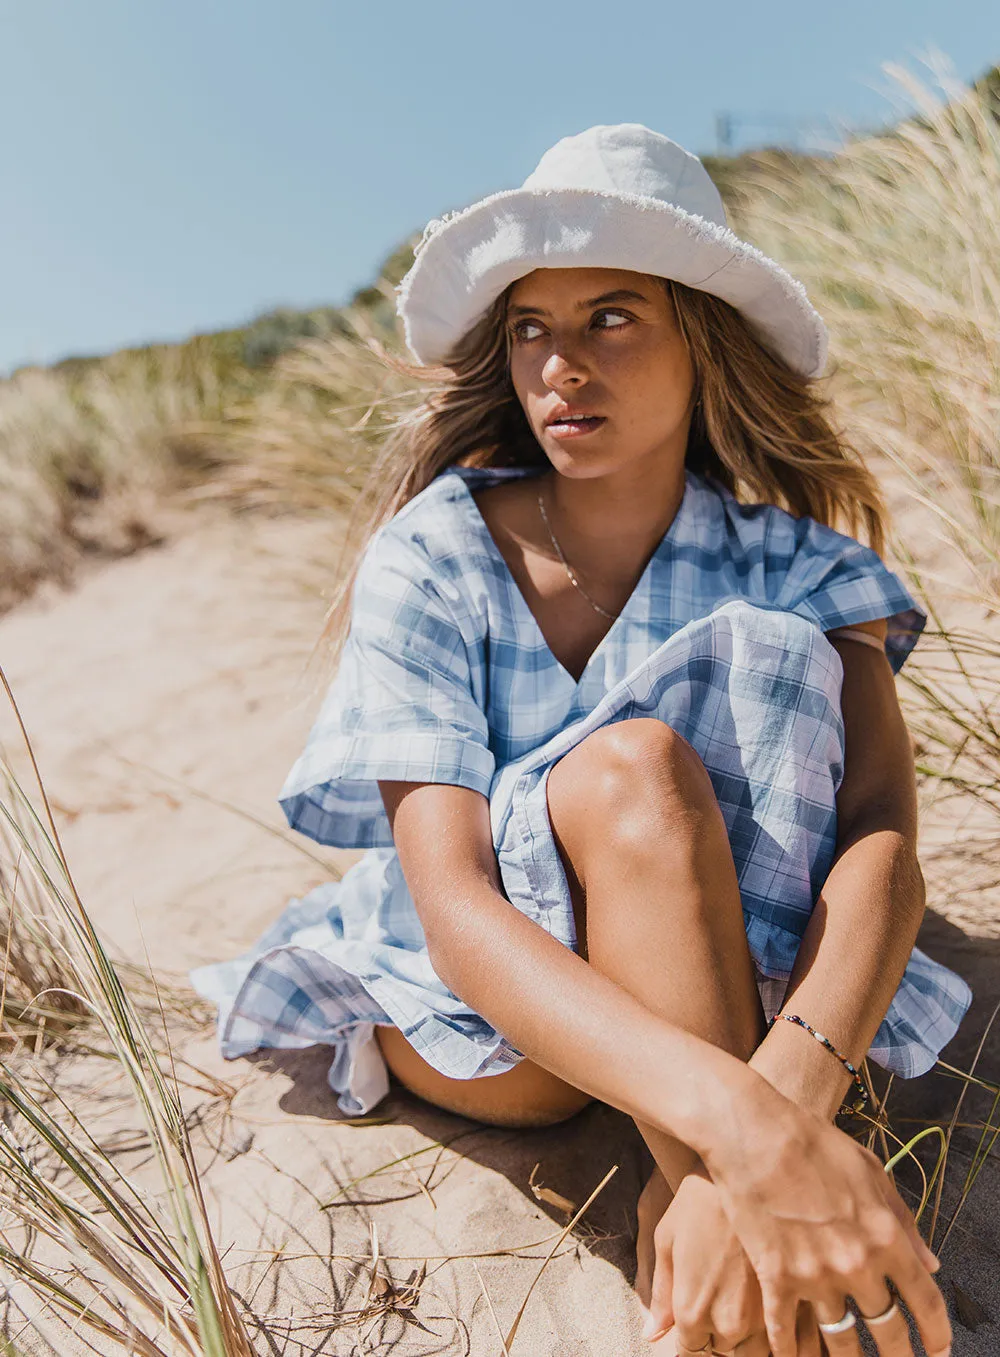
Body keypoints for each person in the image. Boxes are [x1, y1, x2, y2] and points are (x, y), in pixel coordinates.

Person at [192, 124, 971, 1356]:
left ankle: (708, 1220)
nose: (561, 365)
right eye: (530, 328)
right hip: (496, 1011)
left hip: (746, 983)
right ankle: (731, 1223)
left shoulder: (811, 569)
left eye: (612, 318)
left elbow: (880, 842)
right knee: (628, 769)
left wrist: (784, 1097)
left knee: (732, 681)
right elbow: (451, 900)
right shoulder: (437, 553)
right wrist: (751, 1137)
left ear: (701, 339)